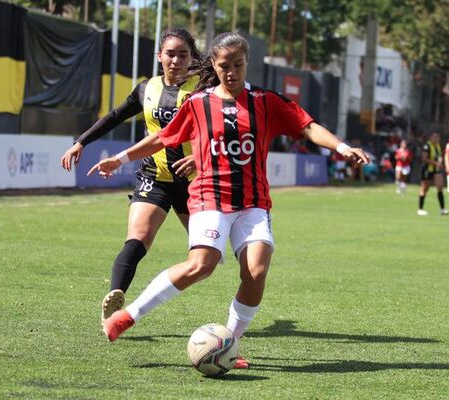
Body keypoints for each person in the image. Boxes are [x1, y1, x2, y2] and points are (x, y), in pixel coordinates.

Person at [87, 32, 369, 369]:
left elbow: (307, 127)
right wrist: (119, 159)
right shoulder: (198, 103)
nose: (232, 72)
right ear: (214, 67)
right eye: (224, 66)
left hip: (253, 203)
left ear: (246, 62)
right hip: (210, 198)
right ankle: (126, 317)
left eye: (238, 64)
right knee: (201, 265)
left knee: (256, 271)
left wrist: (341, 147)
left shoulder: (266, 101)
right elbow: (161, 138)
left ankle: (228, 347)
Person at [60, 28, 202, 324]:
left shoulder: (205, 89)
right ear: (159, 56)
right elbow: (114, 116)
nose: (176, 60)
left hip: (195, 183)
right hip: (154, 176)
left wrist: (200, 156)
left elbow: (222, 130)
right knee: (138, 237)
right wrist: (80, 142)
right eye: (170, 53)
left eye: (183, 54)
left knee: (205, 256)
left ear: (192, 57)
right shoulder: (146, 88)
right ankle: (115, 298)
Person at [417, 132, 448, 216]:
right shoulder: (427, 146)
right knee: (425, 188)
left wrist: (440, 161)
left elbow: (440, 156)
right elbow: (424, 158)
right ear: (431, 137)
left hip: (436, 170)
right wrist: (435, 163)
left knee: (440, 187)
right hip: (427, 170)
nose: (436, 139)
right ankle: (420, 209)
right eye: (434, 137)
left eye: (438, 137)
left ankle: (442, 209)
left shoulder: (438, 146)